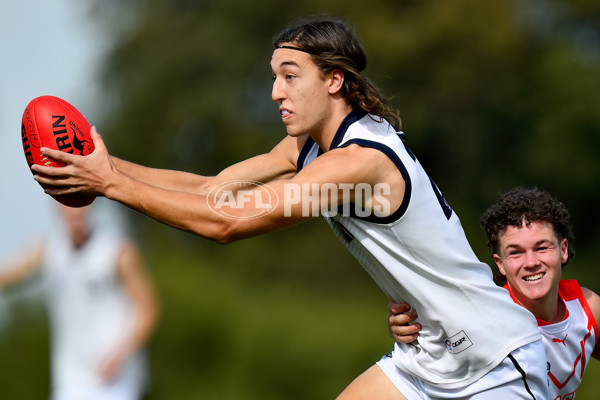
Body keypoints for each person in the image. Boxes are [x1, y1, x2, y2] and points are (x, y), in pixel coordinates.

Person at [31, 15, 548, 399]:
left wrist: (109, 186)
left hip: (495, 358)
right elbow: (215, 190)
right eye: (274, 77)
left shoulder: (358, 162)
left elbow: (226, 222)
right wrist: (105, 168)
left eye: (290, 75)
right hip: (432, 357)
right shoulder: (309, 149)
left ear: (333, 80)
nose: (276, 91)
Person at [388, 185, 600, 399]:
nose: (531, 262)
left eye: (542, 247)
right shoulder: (486, 318)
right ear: (500, 264)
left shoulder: (588, 308)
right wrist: (410, 326)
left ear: (563, 250)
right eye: (515, 252)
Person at [0, 202, 158, 400]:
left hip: (114, 382)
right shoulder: (49, 251)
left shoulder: (116, 251)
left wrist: (120, 354)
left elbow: (147, 310)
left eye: (79, 204)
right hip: (70, 382)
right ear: (57, 209)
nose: (75, 212)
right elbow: (7, 274)